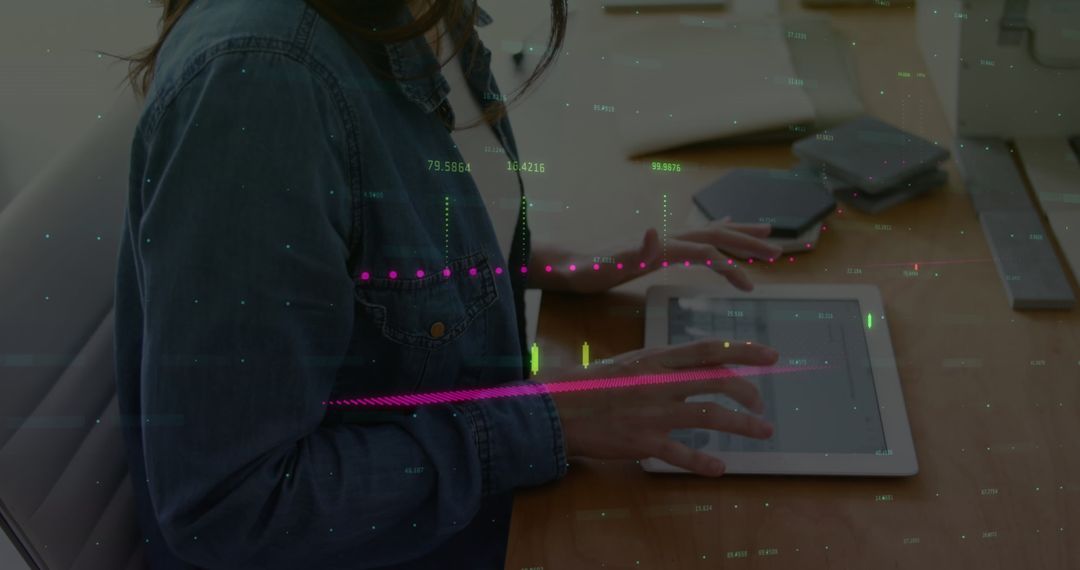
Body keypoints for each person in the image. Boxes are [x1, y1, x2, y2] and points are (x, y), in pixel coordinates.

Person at [112, 0, 784, 568]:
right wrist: (554, 419)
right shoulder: (259, 82)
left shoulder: (423, 12)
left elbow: (369, 235)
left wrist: (530, 260)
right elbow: (232, 509)